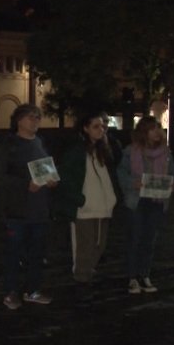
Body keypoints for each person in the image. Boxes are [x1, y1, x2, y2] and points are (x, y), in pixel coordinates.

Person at [0, 104, 56, 310]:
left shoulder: (40, 142)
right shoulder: (9, 145)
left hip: (39, 211)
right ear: (19, 120)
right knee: (14, 253)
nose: (35, 121)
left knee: (37, 254)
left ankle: (33, 290)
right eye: (31, 117)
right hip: (17, 211)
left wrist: (51, 179)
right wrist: (24, 185)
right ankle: (10, 292)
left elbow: (46, 169)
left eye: (38, 117)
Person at [57, 112, 119, 285]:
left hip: (103, 207)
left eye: (103, 126)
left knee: (100, 245)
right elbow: (66, 178)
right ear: (85, 128)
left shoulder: (104, 150)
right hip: (84, 209)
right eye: (96, 126)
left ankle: (87, 275)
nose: (101, 130)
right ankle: (81, 280)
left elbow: (111, 174)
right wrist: (80, 200)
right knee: (85, 247)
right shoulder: (76, 151)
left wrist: (112, 199)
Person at [116, 116, 174, 294]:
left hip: (156, 200)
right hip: (137, 200)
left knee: (150, 239)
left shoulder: (166, 153)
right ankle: (132, 277)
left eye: (158, 128)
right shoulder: (131, 151)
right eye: (152, 129)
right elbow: (121, 172)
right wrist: (132, 183)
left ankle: (145, 274)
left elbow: (172, 172)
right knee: (135, 238)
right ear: (144, 132)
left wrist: (172, 183)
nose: (157, 132)